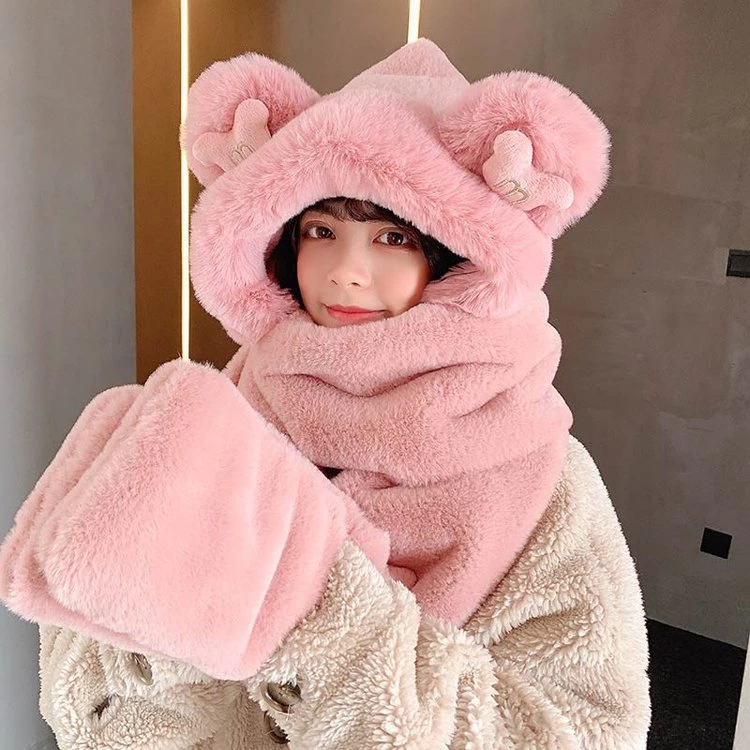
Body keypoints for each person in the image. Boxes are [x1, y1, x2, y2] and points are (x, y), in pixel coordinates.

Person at [0, 39, 651, 748]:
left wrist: (320, 613)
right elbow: (90, 705)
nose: (345, 270)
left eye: (393, 237)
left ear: (456, 259)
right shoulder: (216, 420)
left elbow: (586, 732)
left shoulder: (540, 475)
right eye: (322, 230)